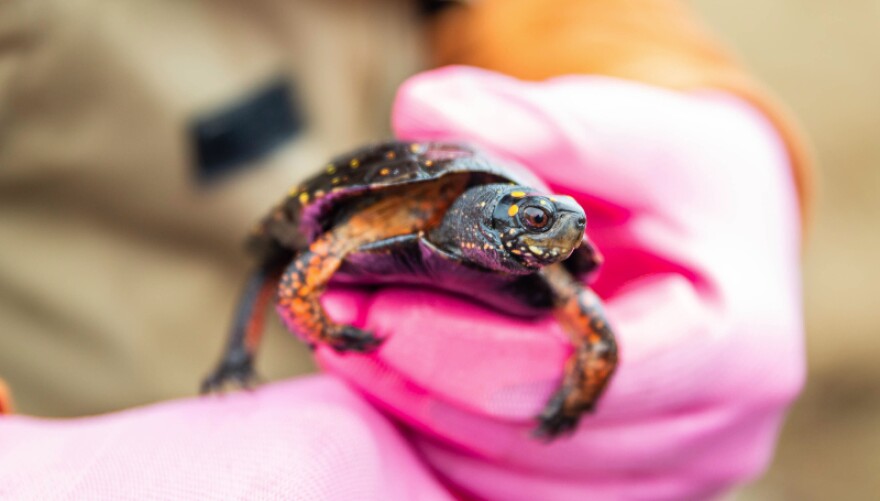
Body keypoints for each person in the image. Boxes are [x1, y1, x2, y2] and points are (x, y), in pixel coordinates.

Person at [0, 1, 811, 499]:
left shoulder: (541, 250)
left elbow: (591, 325)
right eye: (533, 220)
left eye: (559, 224)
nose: (555, 235)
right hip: (101, 389)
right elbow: (306, 257)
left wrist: (660, 82)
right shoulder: (405, 210)